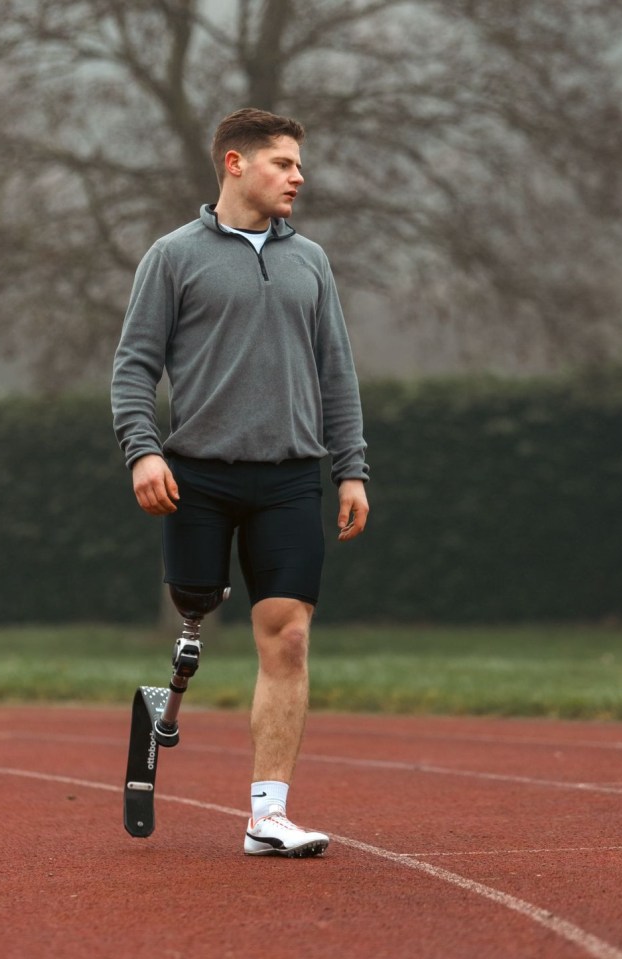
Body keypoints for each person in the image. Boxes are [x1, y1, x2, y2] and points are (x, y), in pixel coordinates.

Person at [111, 107, 369, 857]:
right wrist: (143, 450)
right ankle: (166, 704)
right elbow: (133, 367)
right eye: (283, 163)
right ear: (235, 163)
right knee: (194, 614)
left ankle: (268, 814)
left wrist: (350, 467)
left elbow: (336, 373)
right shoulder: (173, 256)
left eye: (298, 164)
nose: (298, 176)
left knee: (288, 635)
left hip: (291, 478)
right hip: (197, 475)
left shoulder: (310, 261)